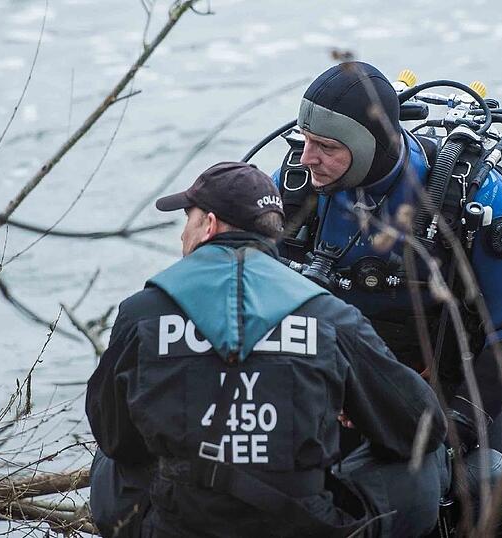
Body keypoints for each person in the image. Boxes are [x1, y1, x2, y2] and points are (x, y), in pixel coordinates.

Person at [86, 161, 449, 537]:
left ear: (208, 225)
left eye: (187, 220)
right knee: (426, 454)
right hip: (303, 527)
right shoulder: (329, 314)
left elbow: (113, 435)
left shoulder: (142, 313)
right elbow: (422, 424)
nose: (183, 236)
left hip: (177, 526)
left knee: (109, 452)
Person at [274, 62, 502, 476]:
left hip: (450, 393)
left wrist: (458, 425)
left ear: (370, 147)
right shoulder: (296, 188)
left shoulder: (472, 197)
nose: (308, 158)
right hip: (331, 395)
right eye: (306, 141)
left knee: (477, 491)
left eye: (326, 147)